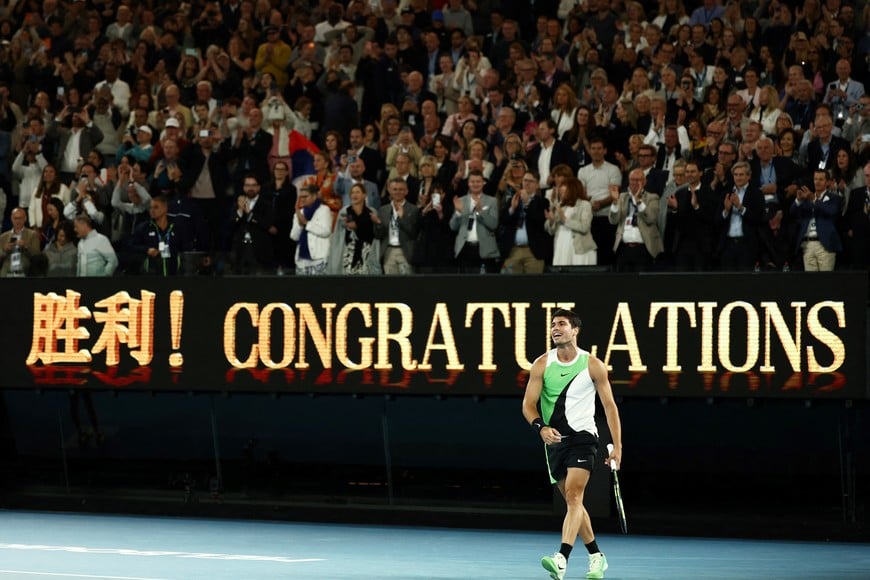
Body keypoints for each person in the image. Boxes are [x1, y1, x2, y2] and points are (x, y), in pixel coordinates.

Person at [522, 308, 622, 580]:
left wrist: (618, 447)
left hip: (584, 439)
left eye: (562, 324)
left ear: (575, 330)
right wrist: (540, 428)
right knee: (572, 503)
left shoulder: (593, 365)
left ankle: (562, 558)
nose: (555, 328)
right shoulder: (541, 364)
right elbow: (528, 406)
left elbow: (610, 407)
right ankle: (596, 556)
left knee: (575, 496)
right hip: (553, 442)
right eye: (553, 324)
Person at [0, 207, 41, 277]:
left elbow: (37, 255)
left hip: (24, 264)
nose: (17, 221)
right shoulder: (3, 237)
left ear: (25, 219)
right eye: (15, 218)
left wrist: (26, 246)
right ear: (11, 219)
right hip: (8, 264)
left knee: (21, 267)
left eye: (20, 218)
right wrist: (5, 250)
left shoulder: (32, 235)